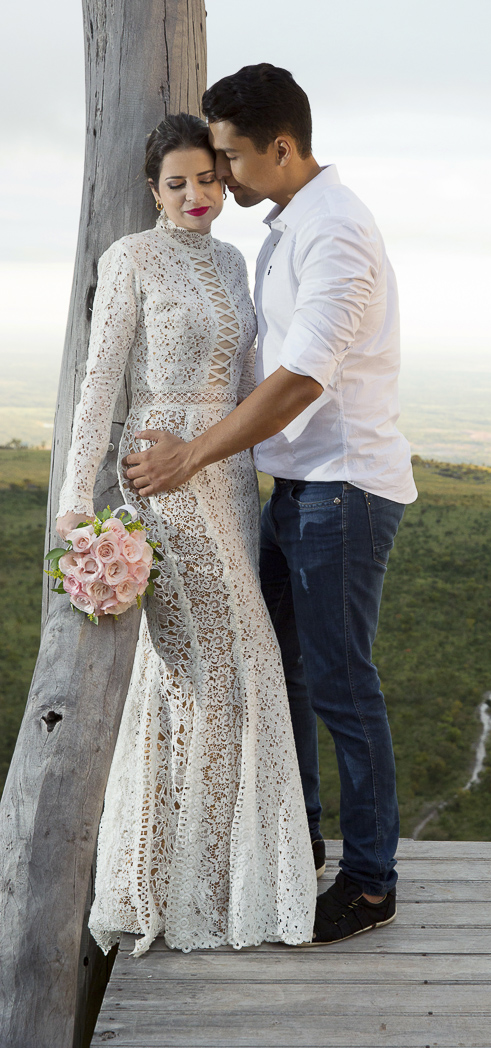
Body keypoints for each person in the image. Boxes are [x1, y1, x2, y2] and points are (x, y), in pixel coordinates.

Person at [123, 65, 418, 944]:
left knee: (341, 687)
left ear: (282, 148)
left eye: (231, 160)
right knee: (284, 673)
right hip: (297, 490)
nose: (222, 178)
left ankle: (370, 883)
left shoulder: (337, 234)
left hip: (345, 490)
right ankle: (301, 846)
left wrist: (191, 455)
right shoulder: (290, 227)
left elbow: (297, 383)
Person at [56, 113, 316, 958]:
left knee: (218, 674)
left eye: (209, 178)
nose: (199, 196)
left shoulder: (237, 261)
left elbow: (252, 379)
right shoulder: (129, 258)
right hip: (162, 477)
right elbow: (100, 385)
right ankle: (185, 882)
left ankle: (217, 876)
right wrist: (74, 506)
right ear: (152, 189)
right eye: (179, 183)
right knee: (226, 662)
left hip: (230, 477)